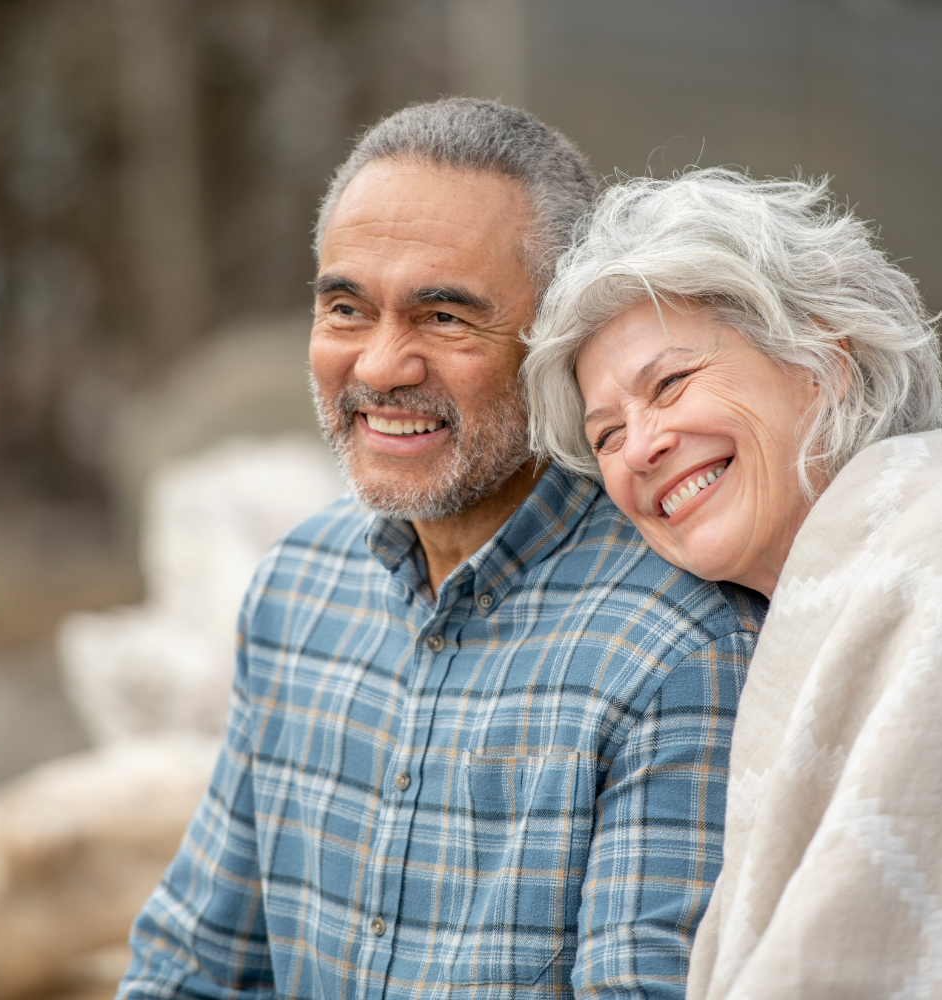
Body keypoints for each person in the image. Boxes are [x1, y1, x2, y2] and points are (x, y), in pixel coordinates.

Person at [118, 100, 766, 1000]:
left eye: (444, 318)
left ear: (561, 341)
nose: (381, 367)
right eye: (346, 307)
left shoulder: (681, 645)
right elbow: (194, 965)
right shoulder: (297, 586)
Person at [523, 167, 942, 999]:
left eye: (670, 384)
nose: (639, 448)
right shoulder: (835, 581)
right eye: (606, 434)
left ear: (826, 359)